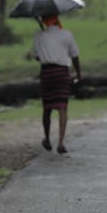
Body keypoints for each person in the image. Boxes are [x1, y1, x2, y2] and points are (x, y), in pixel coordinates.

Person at [28, 14, 81, 154]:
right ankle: (61, 143)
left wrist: (47, 51)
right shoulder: (67, 34)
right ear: (57, 20)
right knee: (62, 107)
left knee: (47, 107)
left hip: (47, 73)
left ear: (44, 21)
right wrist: (79, 74)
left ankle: (47, 138)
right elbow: (74, 55)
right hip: (62, 74)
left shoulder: (39, 35)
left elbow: (37, 56)